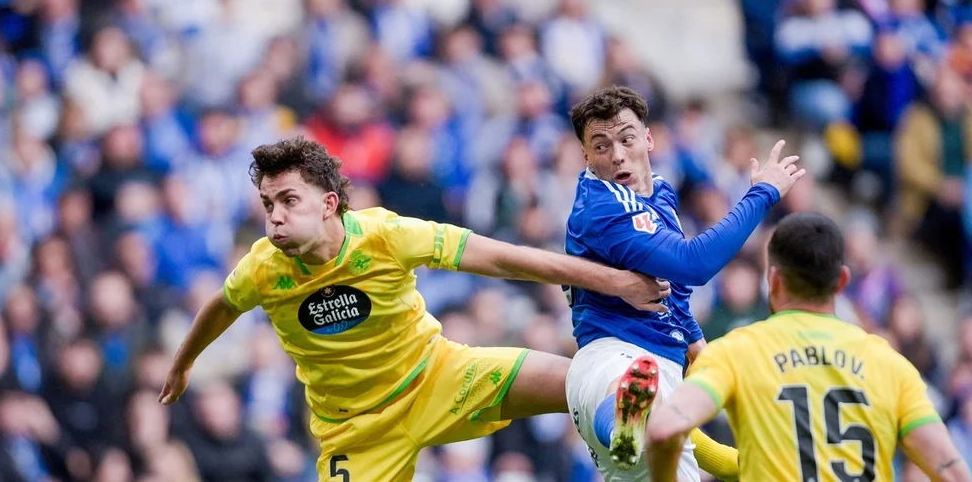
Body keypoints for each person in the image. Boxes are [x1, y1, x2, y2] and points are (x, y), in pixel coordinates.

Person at [158, 137, 670, 480]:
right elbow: (220, 308)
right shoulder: (262, 268)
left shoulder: (388, 235)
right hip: (355, 431)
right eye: (268, 205)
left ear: (329, 204)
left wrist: (615, 282)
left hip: (436, 377)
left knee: (575, 381)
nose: (275, 218)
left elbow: (505, 259)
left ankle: (620, 430)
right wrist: (182, 365)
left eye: (289, 200)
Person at [563, 85, 804, 481]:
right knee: (640, 399)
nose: (618, 153)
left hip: (652, 373)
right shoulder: (604, 206)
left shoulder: (659, 192)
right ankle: (627, 419)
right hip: (616, 357)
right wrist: (762, 194)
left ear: (649, 138)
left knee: (658, 435)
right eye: (601, 146)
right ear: (586, 156)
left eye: (626, 138)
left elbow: (673, 288)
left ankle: (630, 425)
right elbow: (693, 264)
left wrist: (693, 340)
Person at [644, 212, 972, 482]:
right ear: (842, 281)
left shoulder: (737, 351)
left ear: (773, 280)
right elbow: (954, 473)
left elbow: (664, 429)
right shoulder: (890, 363)